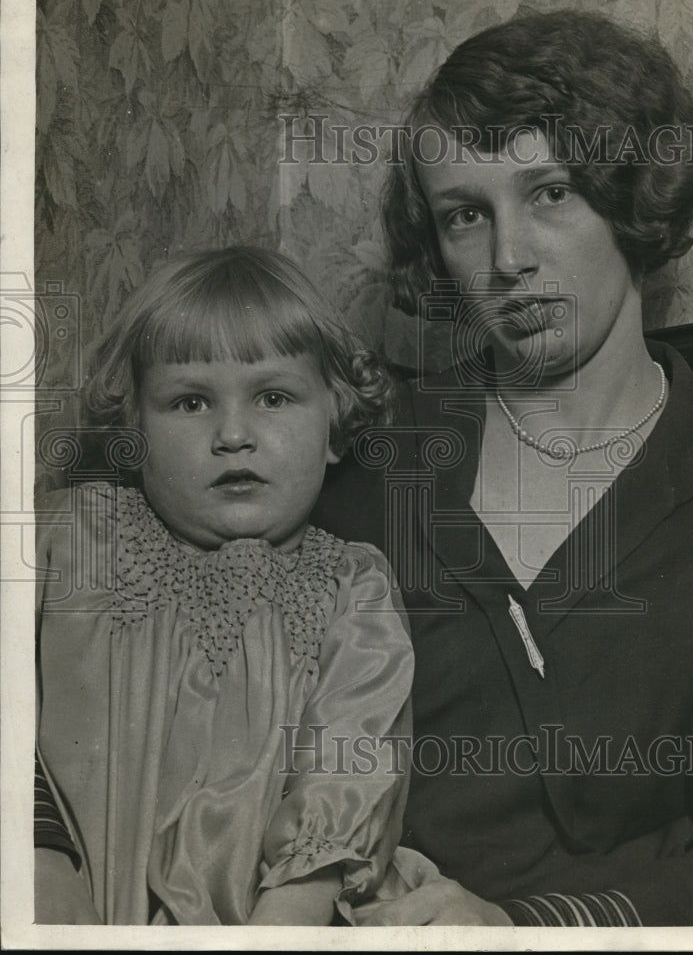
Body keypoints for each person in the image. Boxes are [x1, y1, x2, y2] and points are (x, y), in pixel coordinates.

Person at [312, 9, 693, 926]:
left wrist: (520, 929)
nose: (507, 259)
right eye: (464, 215)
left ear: (633, 195)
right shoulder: (374, 454)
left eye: (549, 192)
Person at [34, 246, 413, 925]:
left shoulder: (351, 589)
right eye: (189, 401)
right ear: (134, 428)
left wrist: (282, 925)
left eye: (273, 397)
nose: (233, 434)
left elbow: (347, 771)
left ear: (334, 420)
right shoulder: (71, 539)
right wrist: (39, 875)